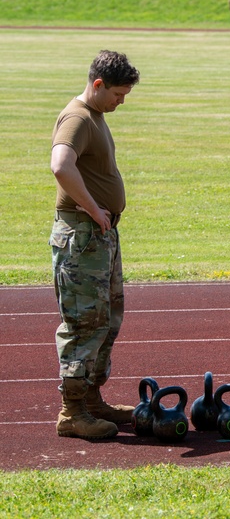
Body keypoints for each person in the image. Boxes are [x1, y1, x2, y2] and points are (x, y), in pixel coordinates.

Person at [49, 50, 141, 439]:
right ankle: (72, 413)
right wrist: (92, 208)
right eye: (118, 94)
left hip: (99, 237)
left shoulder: (96, 116)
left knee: (106, 321)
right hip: (82, 238)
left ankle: (91, 400)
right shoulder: (77, 118)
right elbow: (60, 165)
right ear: (98, 85)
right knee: (84, 324)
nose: (122, 101)